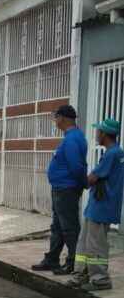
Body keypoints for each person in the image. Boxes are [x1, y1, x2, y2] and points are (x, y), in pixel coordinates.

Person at [68, 118, 123, 291]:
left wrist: (77, 181)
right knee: (85, 242)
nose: (97, 134)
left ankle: (100, 280)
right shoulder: (116, 152)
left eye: (99, 131)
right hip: (98, 206)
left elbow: (93, 178)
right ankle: (82, 274)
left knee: (95, 245)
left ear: (105, 134)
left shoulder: (112, 154)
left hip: (102, 206)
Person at [32, 105, 87, 275]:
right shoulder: (72, 137)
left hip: (66, 189)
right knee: (57, 226)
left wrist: (82, 183)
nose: (55, 120)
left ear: (62, 118)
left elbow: (76, 167)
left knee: (69, 227)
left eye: (56, 117)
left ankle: (73, 263)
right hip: (61, 188)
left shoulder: (72, 139)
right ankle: (52, 259)